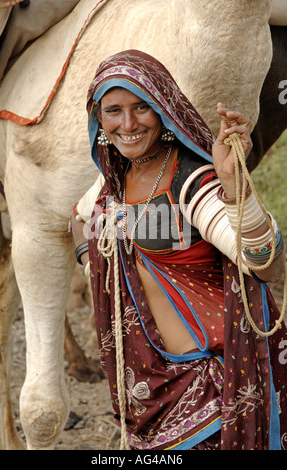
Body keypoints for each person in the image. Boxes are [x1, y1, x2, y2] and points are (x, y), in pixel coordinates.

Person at [71, 50, 287, 450]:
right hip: (151, 393)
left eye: (141, 108)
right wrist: (96, 265)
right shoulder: (113, 184)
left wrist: (234, 185)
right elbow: (81, 219)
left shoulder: (189, 180)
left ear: (163, 110)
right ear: (98, 120)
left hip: (211, 390)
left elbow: (266, 265)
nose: (129, 123)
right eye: (114, 110)